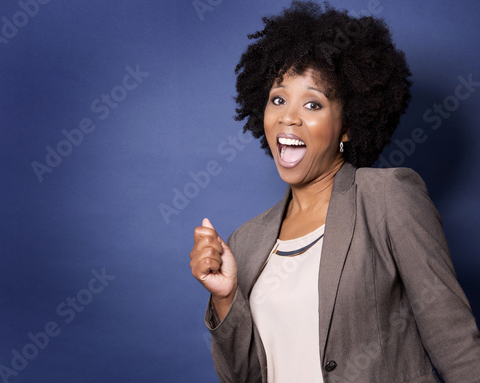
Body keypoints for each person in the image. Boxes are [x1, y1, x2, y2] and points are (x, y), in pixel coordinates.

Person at [189, 1, 480, 382]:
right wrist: (225, 296)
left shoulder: (387, 198)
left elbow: (455, 342)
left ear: (348, 127)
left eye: (313, 103)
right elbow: (244, 377)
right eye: (278, 99)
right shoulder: (246, 242)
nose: (288, 117)